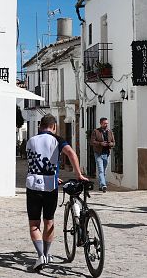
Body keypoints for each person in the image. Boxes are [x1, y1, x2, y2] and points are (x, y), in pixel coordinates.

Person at [25, 114, 87, 272]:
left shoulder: (30, 141)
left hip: (33, 185)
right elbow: (71, 153)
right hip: (50, 186)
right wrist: (78, 174)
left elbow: (36, 162)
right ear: (54, 127)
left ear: (40, 126)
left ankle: (40, 256)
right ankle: (46, 253)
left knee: (34, 224)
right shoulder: (57, 139)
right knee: (49, 222)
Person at [90, 117, 115, 193]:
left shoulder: (110, 132)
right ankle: (104, 185)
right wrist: (101, 143)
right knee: (101, 170)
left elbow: (113, 142)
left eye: (107, 123)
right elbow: (92, 142)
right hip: (98, 153)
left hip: (106, 153)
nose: (106, 124)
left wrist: (110, 144)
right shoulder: (96, 131)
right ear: (101, 123)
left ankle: (101, 186)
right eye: (105, 123)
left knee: (104, 171)